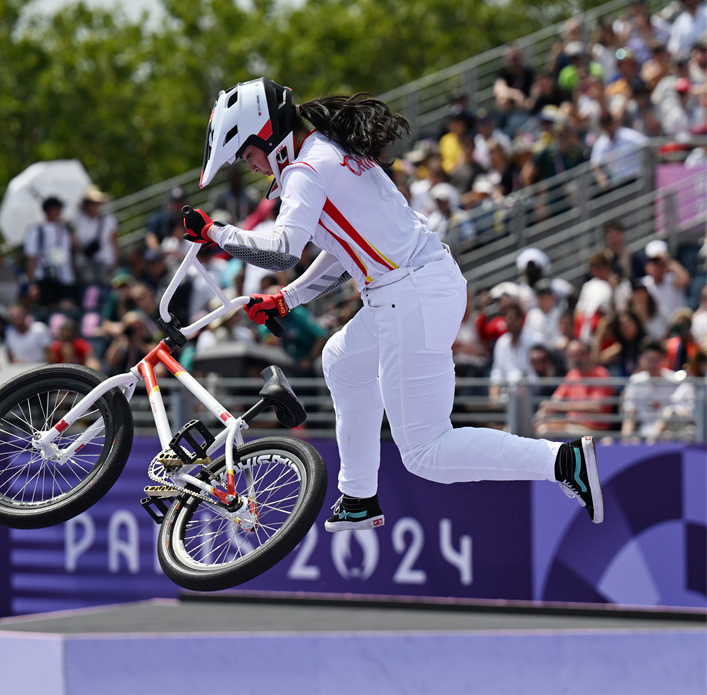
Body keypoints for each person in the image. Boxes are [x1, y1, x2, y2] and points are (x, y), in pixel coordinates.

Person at [186, 77, 607, 531]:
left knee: (427, 453)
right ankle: (359, 497)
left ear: (267, 132)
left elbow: (282, 250)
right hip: (414, 288)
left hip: (409, 294)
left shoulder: (306, 169)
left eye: (247, 154)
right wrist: (287, 299)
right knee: (341, 361)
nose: (250, 167)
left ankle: (562, 461)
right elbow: (343, 252)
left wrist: (215, 233)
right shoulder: (324, 153)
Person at [534, 340, 616, 437]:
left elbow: (596, 407)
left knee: (545, 430)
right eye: (572, 355)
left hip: (594, 430)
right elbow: (555, 400)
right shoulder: (572, 374)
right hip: (572, 425)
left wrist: (558, 406)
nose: (576, 358)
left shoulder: (601, 374)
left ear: (589, 354)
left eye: (580, 354)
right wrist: (543, 411)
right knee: (538, 424)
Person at [620, 340, 681, 441]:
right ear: (642, 360)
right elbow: (630, 414)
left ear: (663, 359)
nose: (652, 364)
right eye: (649, 360)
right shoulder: (635, 381)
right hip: (642, 434)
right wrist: (626, 440)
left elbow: (679, 411)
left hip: (670, 435)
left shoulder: (674, 381)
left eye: (656, 360)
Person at [24, 197, 77, 310]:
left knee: (67, 307)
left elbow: (72, 249)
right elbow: (31, 258)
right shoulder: (37, 230)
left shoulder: (64, 229)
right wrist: (32, 283)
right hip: (45, 276)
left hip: (65, 275)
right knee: (50, 309)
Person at [72, 185, 119, 287]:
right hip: (85, 264)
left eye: (96, 203)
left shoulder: (109, 220)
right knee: (90, 295)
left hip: (105, 262)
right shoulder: (78, 220)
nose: (94, 206)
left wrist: (115, 264)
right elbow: (74, 241)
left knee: (105, 291)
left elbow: (115, 242)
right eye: (91, 203)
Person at [641, 239, 691, 325]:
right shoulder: (644, 284)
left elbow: (685, 280)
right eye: (654, 262)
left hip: (677, 326)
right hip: (657, 331)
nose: (658, 267)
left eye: (661, 263)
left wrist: (668, 261)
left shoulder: (673, 280)